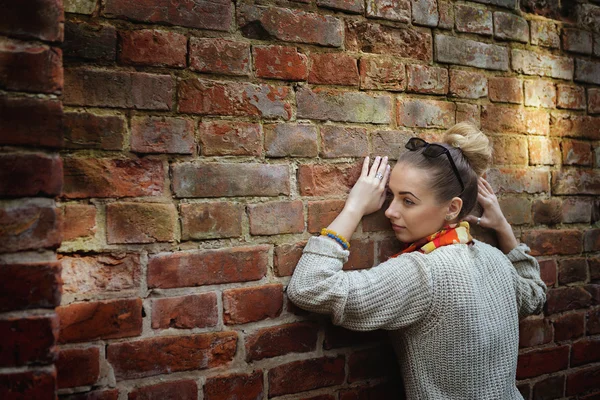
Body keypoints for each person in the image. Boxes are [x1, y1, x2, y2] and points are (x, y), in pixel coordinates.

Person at [287, 122, 547, 400]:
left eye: (408, 201)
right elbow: (536, 293)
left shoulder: (422, 273)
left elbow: (309, 287)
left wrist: (354, 207)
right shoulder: (496, 260)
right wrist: (503, 227)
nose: (390, 211)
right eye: (391, 196)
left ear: (452, 208)